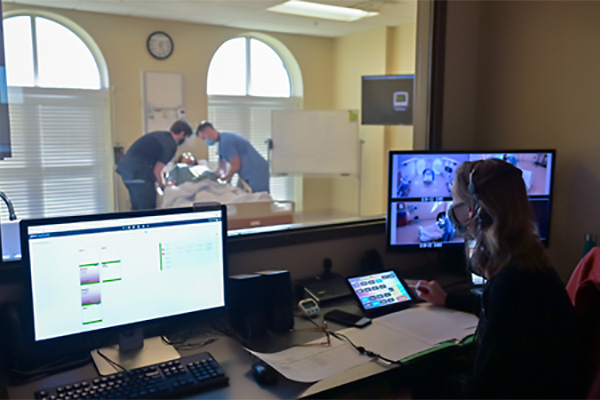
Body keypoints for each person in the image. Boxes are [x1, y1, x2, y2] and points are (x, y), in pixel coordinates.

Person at [413, 158, 589, 399]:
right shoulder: (528, 261)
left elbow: (483, 391)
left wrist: (414, 393)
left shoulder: (512, 284)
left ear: (473, 209)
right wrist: (448, 299)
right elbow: (499, 316)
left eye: (455, 200)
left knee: (414, 380)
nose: (451, 208)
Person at [116, 120, 193, 210]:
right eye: (186, 137)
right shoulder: (171, 145)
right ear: (182, 134)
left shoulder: (161, 136)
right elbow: (157, 171)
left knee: (137, 210)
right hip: (139, 175)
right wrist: (163, 186)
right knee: (147, 210)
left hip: (128, 173)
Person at [196, 121, 270, 193]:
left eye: (203, 138)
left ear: (209, 131)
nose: (205, 141)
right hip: (248, 172)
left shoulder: (226, 141)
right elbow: (221, 169)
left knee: (260, 199)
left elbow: (236, 166)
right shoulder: (221, 144)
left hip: (257, 170)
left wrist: (225, 178)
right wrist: (211, 176)